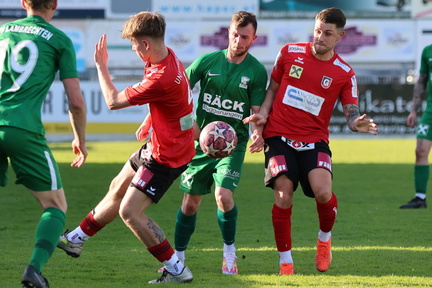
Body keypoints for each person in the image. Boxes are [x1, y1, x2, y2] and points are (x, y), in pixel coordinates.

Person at [56, 11, 196, 284]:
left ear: (145, 44)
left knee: (130, 212)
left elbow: (113, 100)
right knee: (117, 187)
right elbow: (173, 102)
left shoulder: (160, 76)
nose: (133, 49)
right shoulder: (167, 56)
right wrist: (151, 119)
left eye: (133, 43)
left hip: (167, 156)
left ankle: (177, 269)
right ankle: (75, 239)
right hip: (158, 144)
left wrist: (101, 66)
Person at [243, 7, 378, 275]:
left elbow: (351, 110)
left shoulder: (344, 72)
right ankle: (285, 260)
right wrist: (262, 118)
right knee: (283, 194)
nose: (320, 37)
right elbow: (272, 89)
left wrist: (355, 123)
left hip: (314, 139)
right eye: (317, 31)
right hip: (278, 135)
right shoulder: (289, 52)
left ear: (340, 36)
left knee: (323, 192)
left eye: (327, 34)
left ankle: (324, 241)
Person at [158, 11, 267, 275]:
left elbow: (256, 112)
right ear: (228, 34)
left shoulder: (256, 71)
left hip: (233, 146)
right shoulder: (207, 62)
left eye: (244, 37)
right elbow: (177, 89)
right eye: (234, 35)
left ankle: (229, 254)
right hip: (199, 145)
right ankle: (178, 260)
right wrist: (174, 122)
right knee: (190, 203)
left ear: (253, 39)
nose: (238, 41)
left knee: (223, 196)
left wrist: (257, 132)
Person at [0, 0, 88, 287]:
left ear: (23, 2)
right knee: (55, 205)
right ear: (55, 4)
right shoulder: (60, 40)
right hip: (22, 128)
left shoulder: (1, 32)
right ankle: (33, 270)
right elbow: (75, 102)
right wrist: (80, 139)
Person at [399, 45, 432, 209]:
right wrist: (413, 110)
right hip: (430, 111)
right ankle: (420, 198)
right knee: (420, 151)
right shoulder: (427, 51)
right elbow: (421, 81)